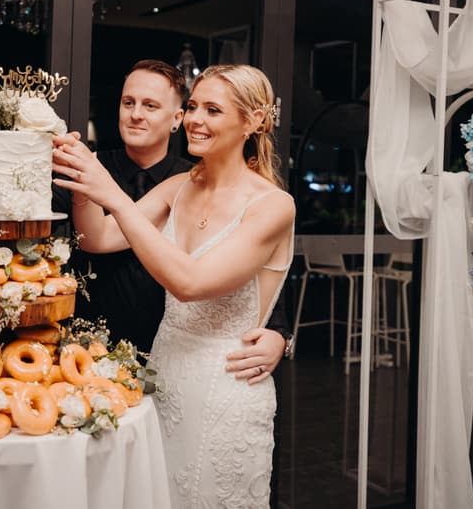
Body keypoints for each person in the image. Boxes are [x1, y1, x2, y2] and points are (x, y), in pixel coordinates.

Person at [52, 64, 295, 507]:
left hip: (227, 387)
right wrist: (85, 185)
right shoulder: (178, 186)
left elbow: (190, 282)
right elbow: (99, 238)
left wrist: (113, 195)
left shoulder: (273, 205)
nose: (197, 120)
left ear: (254, 121)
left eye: (213, 110)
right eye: (194, 107)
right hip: (165, 376)